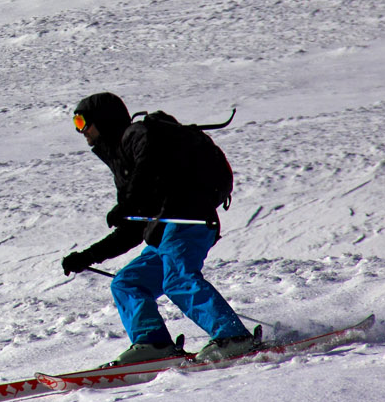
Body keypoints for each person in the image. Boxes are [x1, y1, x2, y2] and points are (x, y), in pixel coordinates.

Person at [61, 91, 258, 364]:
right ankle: (153, 345)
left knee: (177, 278)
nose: (80, 131)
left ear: (103, 120)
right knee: (127, 283)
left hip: (189, 218)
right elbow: (132, 227)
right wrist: (88, 256)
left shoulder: (139, 135)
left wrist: (128, 203)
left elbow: (148, 163)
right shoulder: (122, 162)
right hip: (166, 231)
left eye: (82, 122)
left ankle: (233, 338)